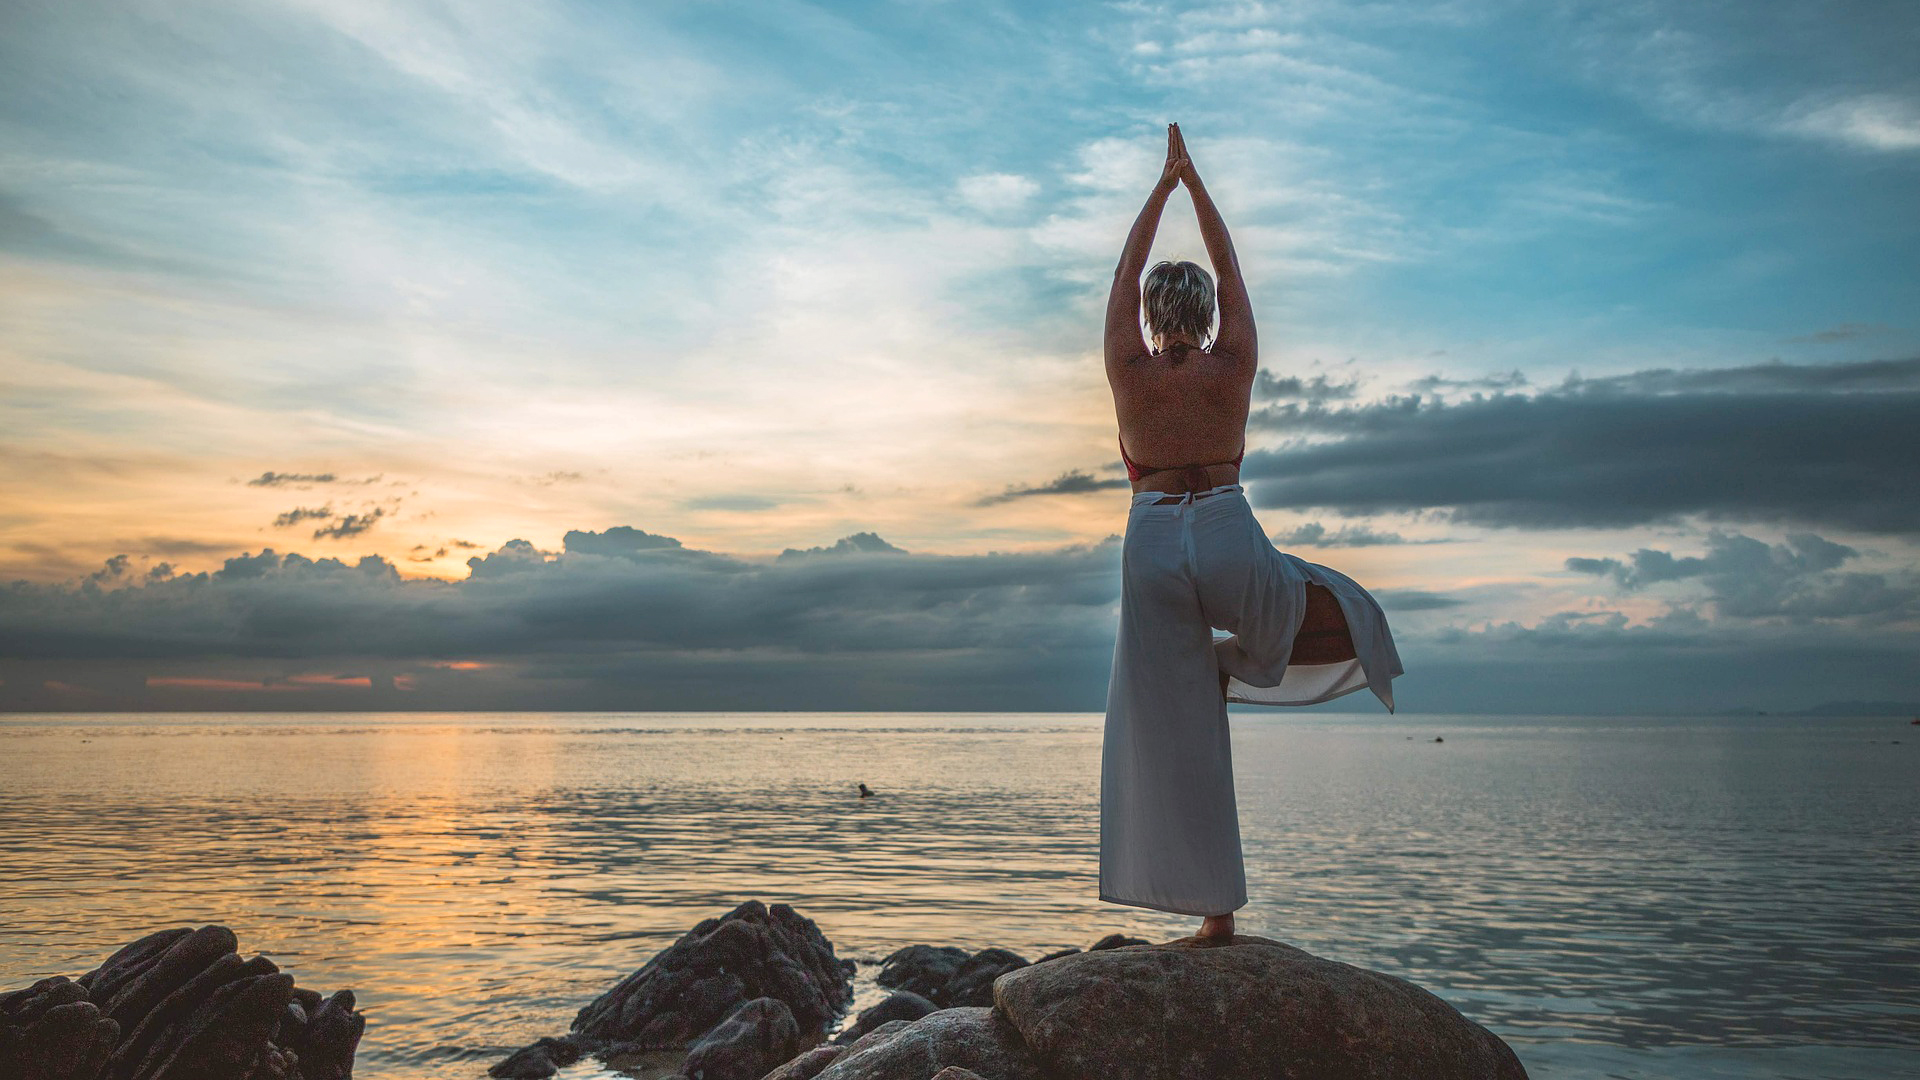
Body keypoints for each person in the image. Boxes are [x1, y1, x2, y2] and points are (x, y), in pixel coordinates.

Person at [1100, 123, 1403, 941]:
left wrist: (1157, 189)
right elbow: (1230, 270)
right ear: (1203, 313)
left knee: (1174, 720)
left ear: (1152, 316)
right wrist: (1195, 185)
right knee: (1302, 606)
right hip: (1227, 529)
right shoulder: (1231, 364)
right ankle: (1245, 665)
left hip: (1154, 536)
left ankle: (1213, 912)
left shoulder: (1128, 371)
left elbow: (1125, 273)